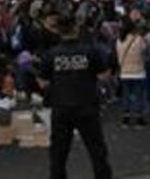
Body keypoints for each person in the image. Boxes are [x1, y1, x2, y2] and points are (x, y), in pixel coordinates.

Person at [37, 14, 113, 179]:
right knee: (97, 151)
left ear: (58, 31)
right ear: (76, 29)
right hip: (87, 106)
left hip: (61, 108)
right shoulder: (89, 51)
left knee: (58, 154)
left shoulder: (51, 54)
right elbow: (104, 76)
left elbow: (42, 83)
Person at [116, 20, 149, 127]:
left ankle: (125, 118)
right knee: (139, 95)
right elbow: (145, 50)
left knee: (125, 95)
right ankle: (139, 119)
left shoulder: (119, 40)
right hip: (138, 72)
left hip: (124, 72)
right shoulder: (139, 39)